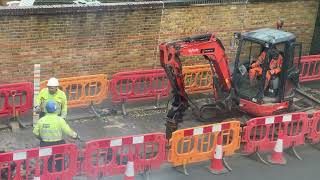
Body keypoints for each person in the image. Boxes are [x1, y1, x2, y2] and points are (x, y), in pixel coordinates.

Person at [33, 100, 79, 171]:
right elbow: (68, 131)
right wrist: (75, 136)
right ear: (55, 109)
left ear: (46, 109)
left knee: (47, 161)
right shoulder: (60, 120)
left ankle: (48, 174)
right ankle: (60, 173)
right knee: (60, 160)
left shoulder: (41, 120)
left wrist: (41, 138)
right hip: (58, 144)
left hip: (45, 144)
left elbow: (35, 132)